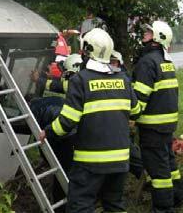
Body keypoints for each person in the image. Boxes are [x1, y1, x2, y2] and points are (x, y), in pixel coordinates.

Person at [40, 28, 141, 212]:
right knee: (114, 205)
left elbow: (67, 122)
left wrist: (47, 131)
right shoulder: (123, 79)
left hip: (90, 162)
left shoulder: (80, 80)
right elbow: (136, 111)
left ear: (87, 50)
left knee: (81, 206)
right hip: (120, 160)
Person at [132, 20, 182, 211]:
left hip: (152, 127)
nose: (145, 33)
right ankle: (177, 197)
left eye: (149, 32)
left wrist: (130, 114)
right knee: (169, 165)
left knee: (159, 172)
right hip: (166, 125)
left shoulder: (147, 62)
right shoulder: (165, 61)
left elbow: (140, 99)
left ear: (157, 37)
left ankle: (163, 208)